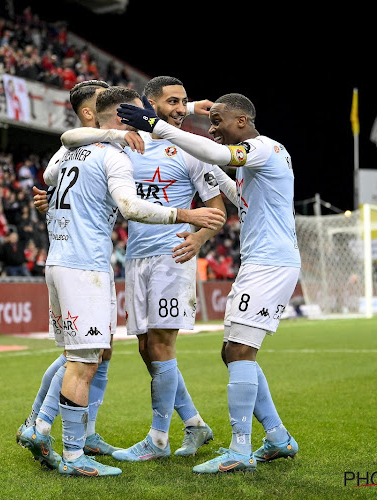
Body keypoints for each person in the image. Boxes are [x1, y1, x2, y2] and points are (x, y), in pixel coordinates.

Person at [32, 86, 225, 477]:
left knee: (156, 345)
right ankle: (194, 424)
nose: (179, 110)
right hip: (132, 257)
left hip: (173, 253)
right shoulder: (122, 145)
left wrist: (197, 237)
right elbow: (71, 142)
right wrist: (51, 198)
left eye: (182, 103)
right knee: (142, 348)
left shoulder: (187, 147)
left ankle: (157, 437)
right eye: (171, 102)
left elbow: (216, 208)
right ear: (143, 109)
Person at [118, 92, 301, 473]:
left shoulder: (262, 148)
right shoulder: (257, 162)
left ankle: (239, 450)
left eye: (218, 121)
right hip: (261, 263)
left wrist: (158, 127)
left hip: (270, 264)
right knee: (234, 351)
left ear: (240, 121)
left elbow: (219, 156)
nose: (213, 128)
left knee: (237, 352)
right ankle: (278, 437)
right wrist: (193, 139)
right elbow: (235, 193)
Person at [17, 80, 125, 470]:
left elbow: (49, 177)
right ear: (90, 114)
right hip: (83, 263)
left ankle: (53, 427)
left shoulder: (74, 152)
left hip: (72, 258)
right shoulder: (87, 147)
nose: (117, 110)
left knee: (97, 350)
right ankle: (50, 431)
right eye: (106, 104)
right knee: (81, 356)